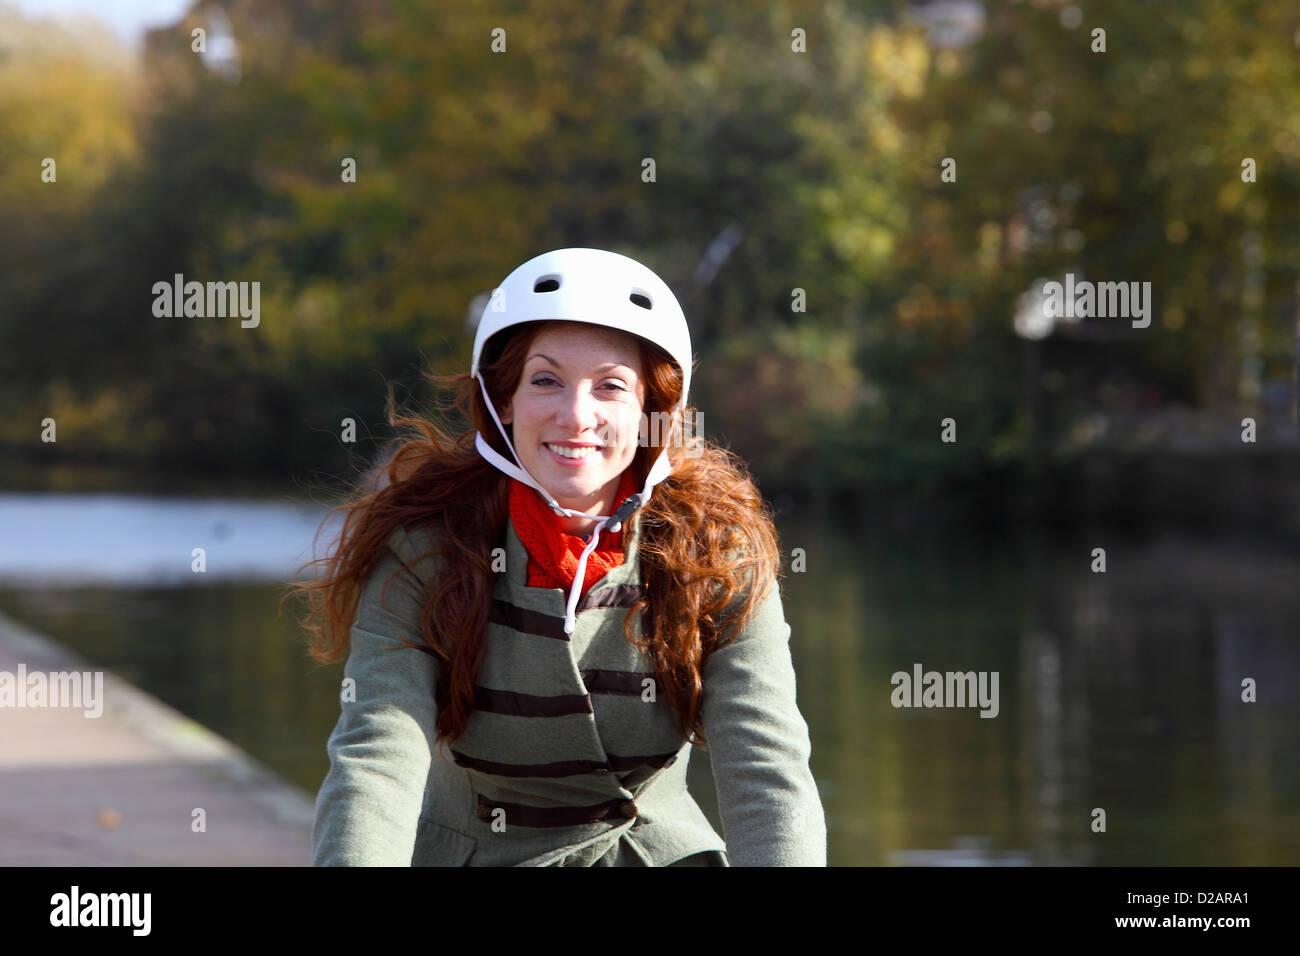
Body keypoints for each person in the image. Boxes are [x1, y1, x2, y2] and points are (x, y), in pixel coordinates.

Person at [297, 247, 826, 866]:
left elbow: (767, 769)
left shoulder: (714, 552)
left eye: (611, 387)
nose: (577, 416)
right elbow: (377, 757)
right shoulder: (425, 548)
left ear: (653, 414)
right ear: (504, 401)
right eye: (545, 380)